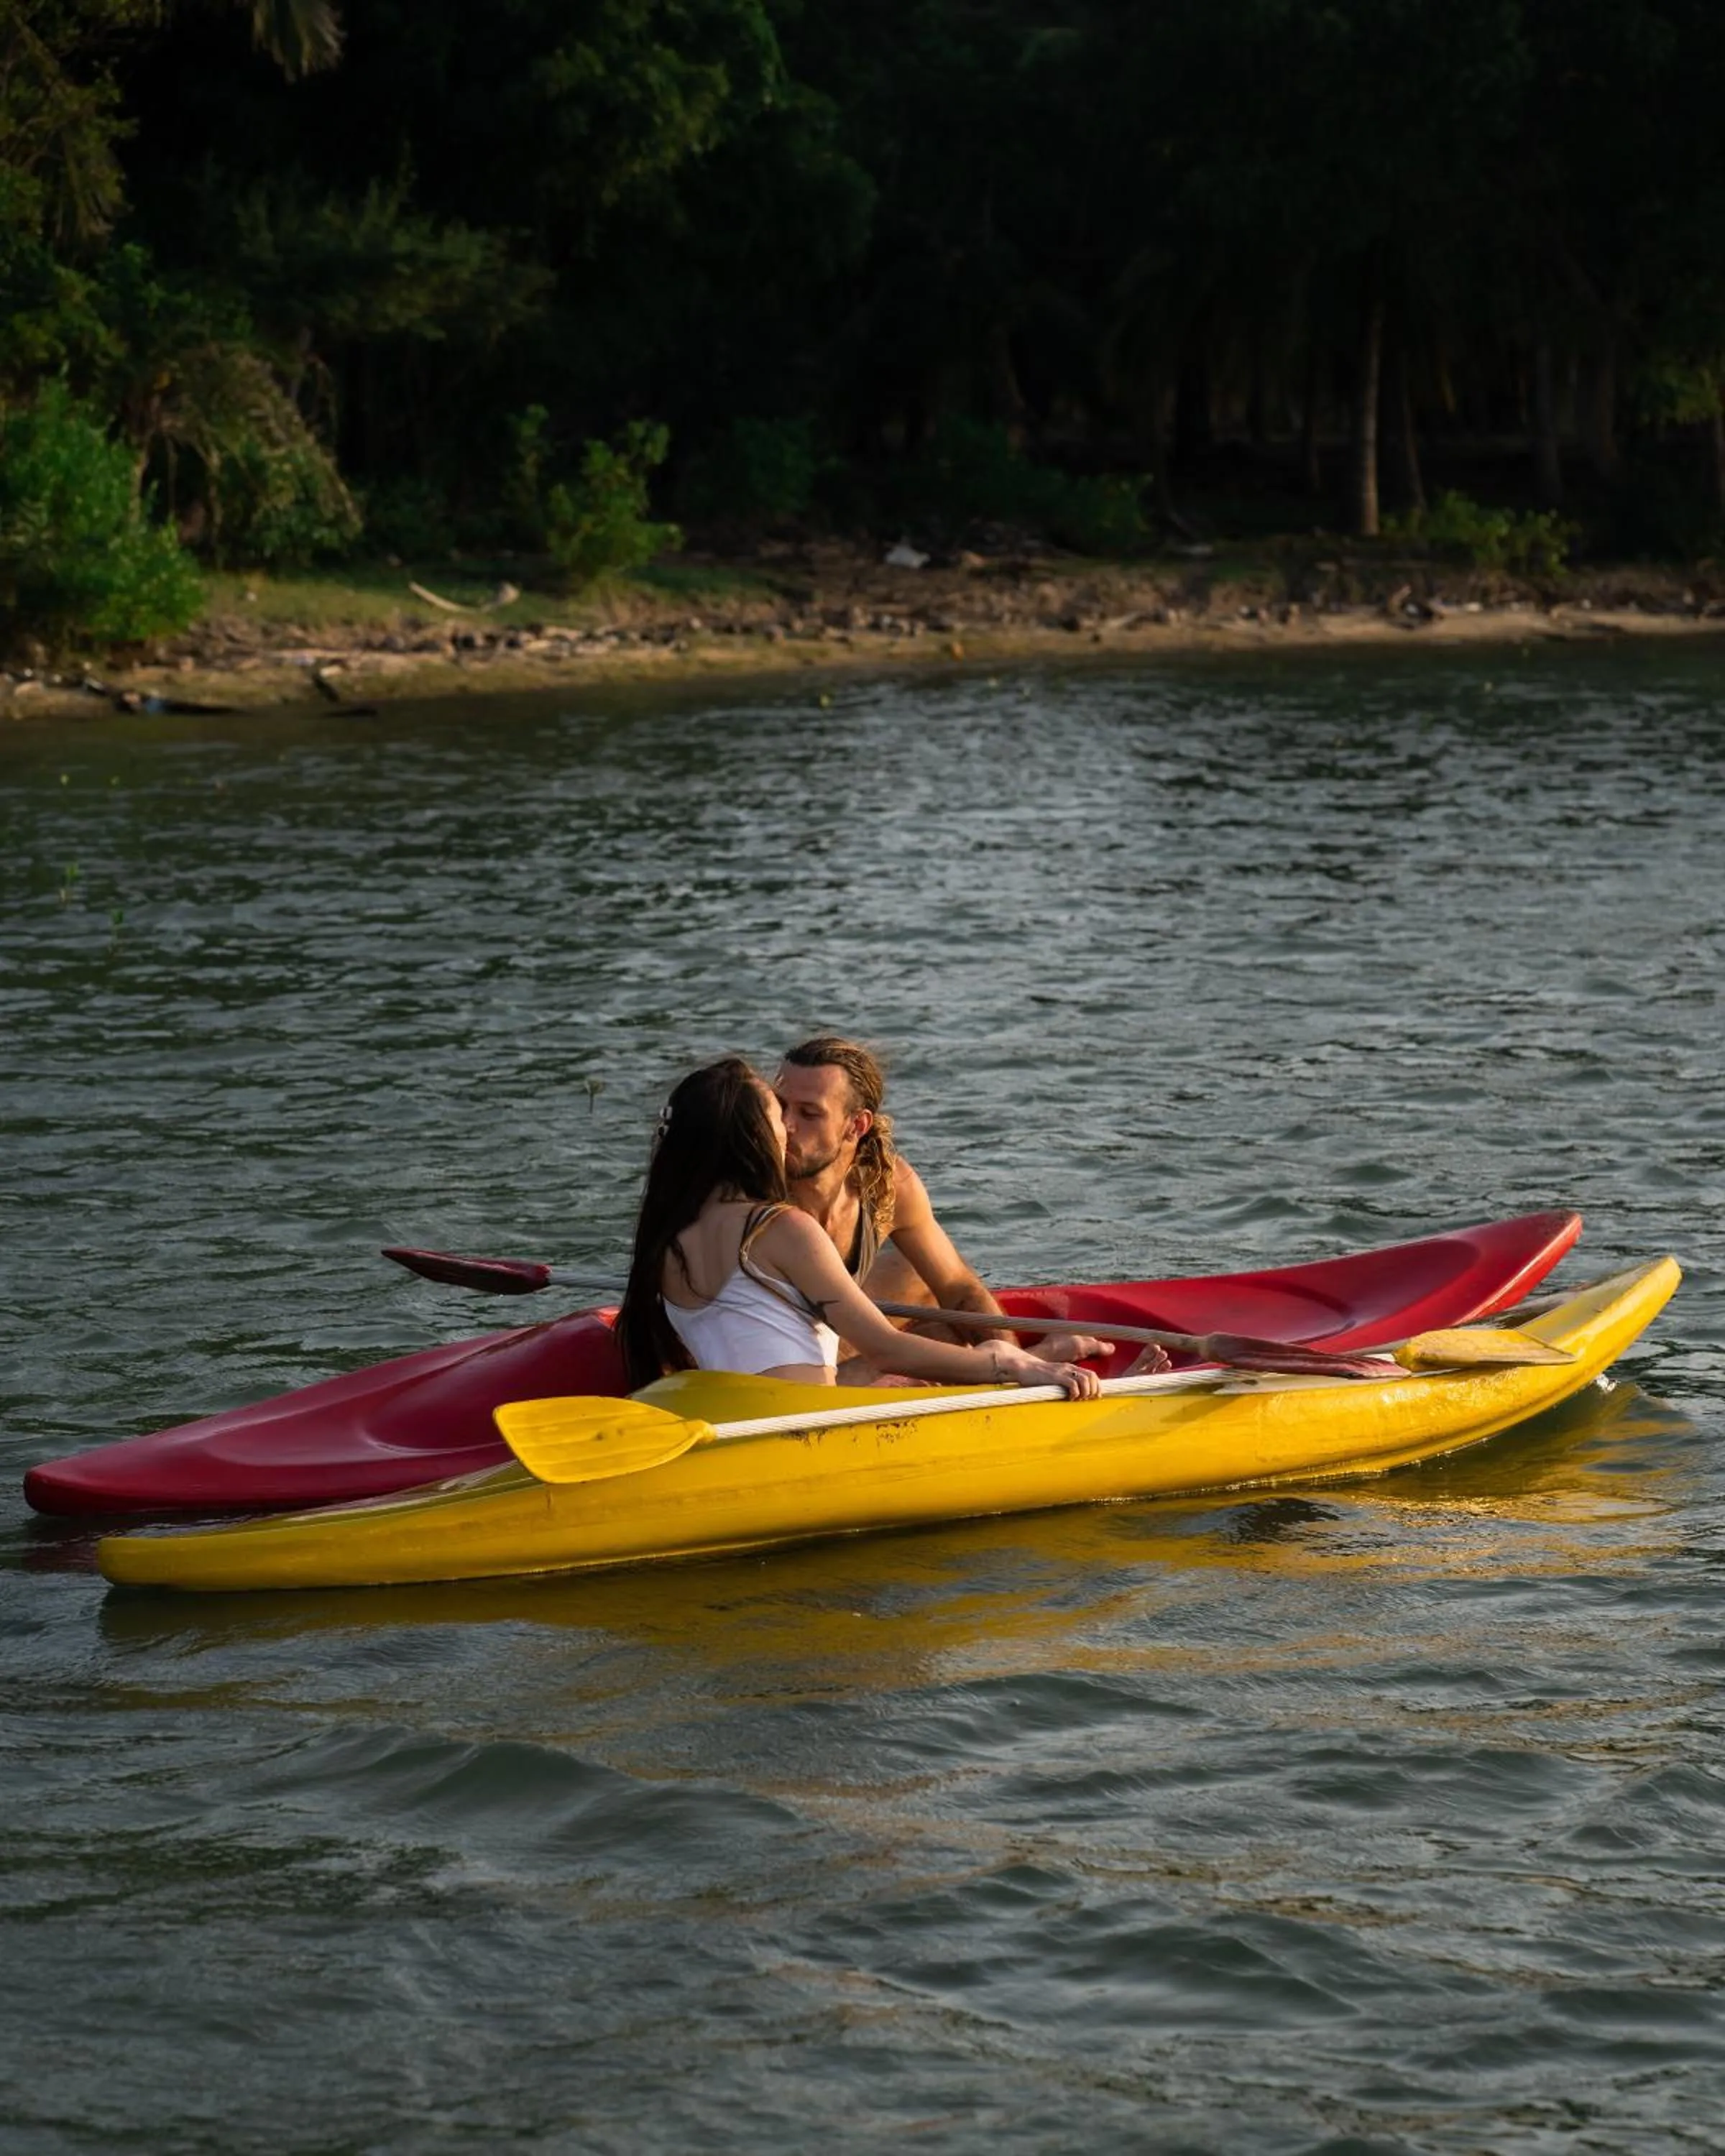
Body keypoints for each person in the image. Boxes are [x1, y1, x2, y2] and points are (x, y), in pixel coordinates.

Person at [614, 1058, 1102, 1399]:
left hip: (742, 1417)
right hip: (803, 1426)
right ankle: (1036, 1361)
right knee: (979, 1354)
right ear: (752, 1138)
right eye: (776, 1115)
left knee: (932, 1333)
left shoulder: (669, 1235)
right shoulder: (782, 1228)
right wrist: (1006, 1362)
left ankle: (1045, 1354)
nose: (786, 1127)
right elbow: (884, 1348)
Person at [773, 1033, 1162, 1378]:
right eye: (779, 1106)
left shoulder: (889, 1185)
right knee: (909, 1351)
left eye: (809, 1113)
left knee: (931, 1295)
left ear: (856, 1126)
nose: (785, 1125)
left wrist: (1016, 1363)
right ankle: (1037, 1357)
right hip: (783, 1363)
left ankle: (1023, 1365)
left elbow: (958, 1289)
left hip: (840, 1331)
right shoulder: (754, 1183)